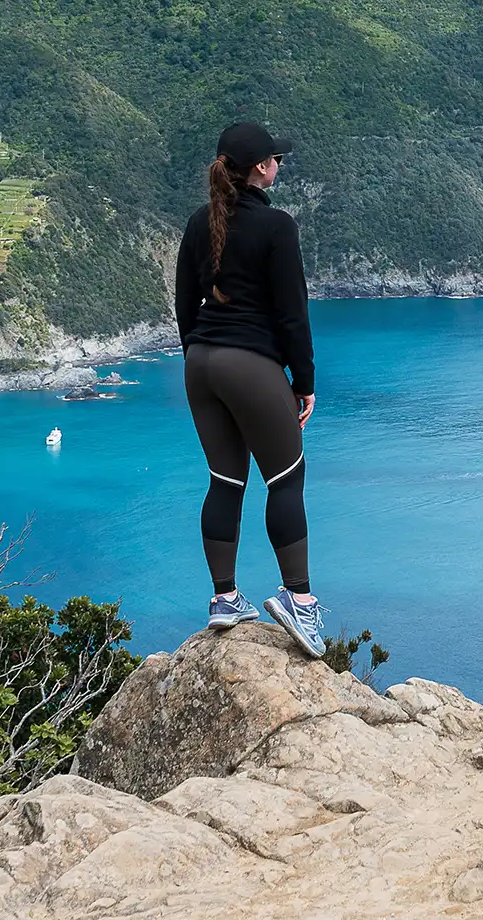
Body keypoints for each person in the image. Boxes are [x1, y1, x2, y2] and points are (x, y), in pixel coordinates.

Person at [173, 121, 324, 657]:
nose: (279, 164)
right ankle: (299, 602)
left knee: (224, 479)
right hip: (249, 365)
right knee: (285, 477)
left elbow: (184, 304)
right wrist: (303, 383)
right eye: (275, 158)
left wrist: (202, 352)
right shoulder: (277, 227)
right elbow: (292, 316)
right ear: (261, 167)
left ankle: (225, 598)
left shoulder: (199, 222)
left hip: (200, 364)